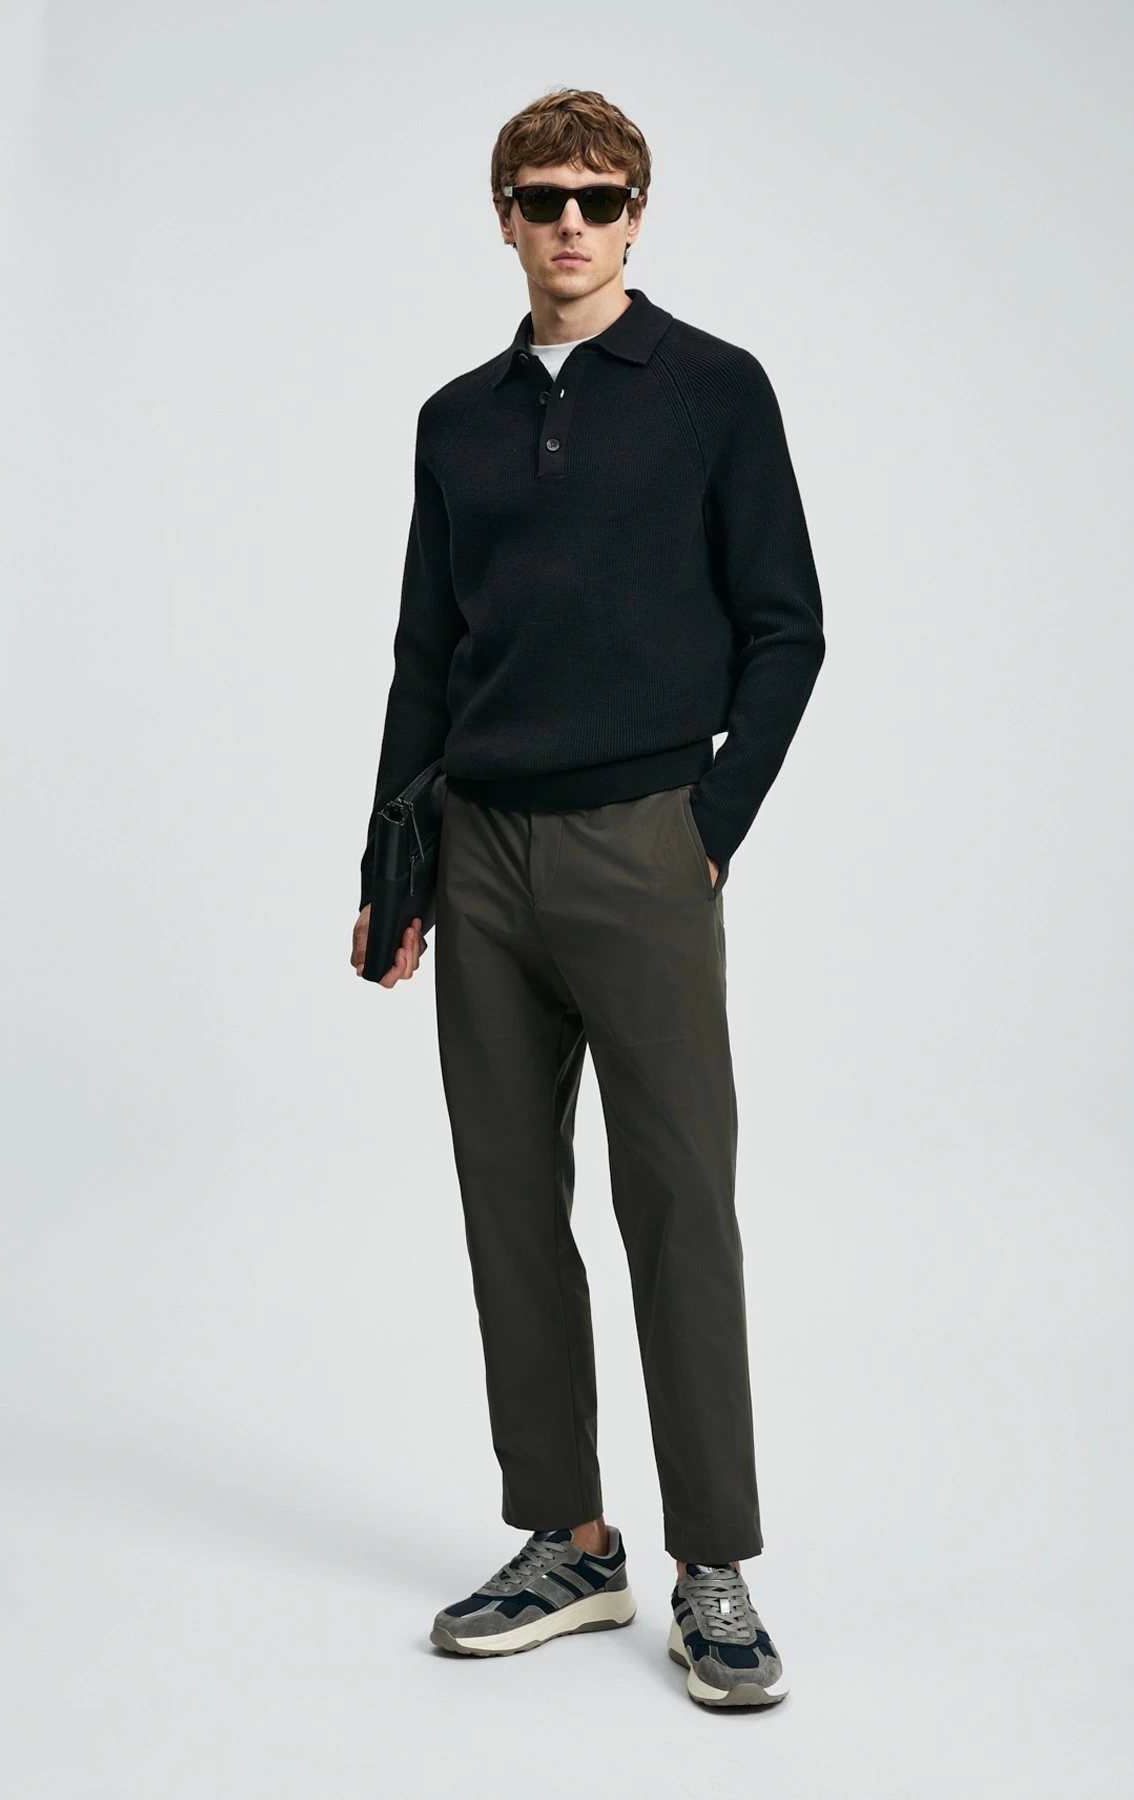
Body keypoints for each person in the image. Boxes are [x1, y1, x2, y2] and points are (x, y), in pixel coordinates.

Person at [351, 87, 825, 1710]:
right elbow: (425, 657)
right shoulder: (456, 421)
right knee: (507, 1201)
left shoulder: (714, 392)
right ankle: (568, 1539)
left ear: (636, 215)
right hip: (479, 853)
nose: (570, 222)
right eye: (542, 196)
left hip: (641, 845)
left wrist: (708, 829)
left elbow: (787, 626)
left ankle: (714, 1567)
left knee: (678, 1202)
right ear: (503, 215)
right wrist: (391, 868)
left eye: (599, 198)